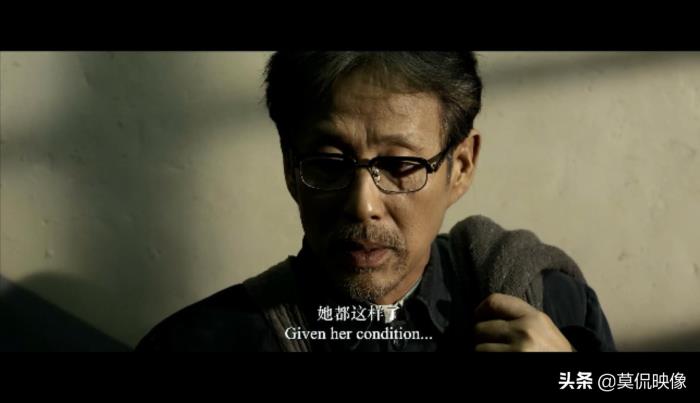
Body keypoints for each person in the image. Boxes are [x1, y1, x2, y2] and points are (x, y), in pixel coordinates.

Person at [136, 52, 615, 352]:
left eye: (400, 165)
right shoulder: (201, 342)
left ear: (462, 166)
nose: (362, 204)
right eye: (328, 163)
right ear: (290, 167)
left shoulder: (552, 307)